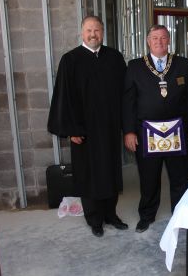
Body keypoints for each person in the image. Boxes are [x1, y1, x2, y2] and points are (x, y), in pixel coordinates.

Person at [48, 15, 128, 237]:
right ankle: (94, 219)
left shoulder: (114, 58)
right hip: (84, 132)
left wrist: (126, 126)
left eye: (97, 30)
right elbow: (64, 97)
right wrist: (71, 129)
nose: (93, 35)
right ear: (82, 33)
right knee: (89, 174)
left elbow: (125, 94)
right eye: (89, 30)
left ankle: (111, 214)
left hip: (110, 129)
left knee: (110, 172)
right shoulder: (70, 60)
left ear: (103, 32)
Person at [122, 25, 188, 233]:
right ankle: (146, 216)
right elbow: (128, 102)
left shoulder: (182, 64)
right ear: (148, 41)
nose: (159, 41)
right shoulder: (135, 66)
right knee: (149, 178)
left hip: (178, 130)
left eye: (163, 38)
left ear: (169, 41)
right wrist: (129, 131)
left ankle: (181, 214)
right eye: (155, 38)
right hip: (146, 132)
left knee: (180, 177)